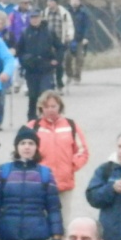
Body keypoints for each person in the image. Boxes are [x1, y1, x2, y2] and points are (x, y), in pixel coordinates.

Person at [25, 90, 89, 232]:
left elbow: (82, 151)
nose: (50, 110)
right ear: (41, 108)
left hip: (64, 184)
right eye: (46, 107)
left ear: (60, 106)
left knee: (63, 225)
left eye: (53, 106)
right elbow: (22, 151)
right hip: (40, 185)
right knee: (41, 225)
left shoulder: (71, 126)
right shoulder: (33, 126)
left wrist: (71, 166)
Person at [17, 11, 63, 121]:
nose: (34, 20)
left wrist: (57, 60)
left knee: (45, 95)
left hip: (46, 69)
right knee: (33, 96)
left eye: (36, 17)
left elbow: (60, 47)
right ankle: (32, 119)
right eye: (32, 17)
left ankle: (47, 118)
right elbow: (20, 51)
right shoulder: (25, 32)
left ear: (41, 18)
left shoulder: (49, 31)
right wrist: (25, 61)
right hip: (31, 70)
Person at [42, 0, 75, 94]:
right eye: (48, 1)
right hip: (48, 43)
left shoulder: (64, 13)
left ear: (56, 2)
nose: (49, 3)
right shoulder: (44, 13)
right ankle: (50, 85)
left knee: (59, 64)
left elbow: (70, 25)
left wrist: (69, 35)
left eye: (51, 1)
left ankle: (60, 84)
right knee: (48, 64)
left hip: (60, 42)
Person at [65, 0, 90, 84]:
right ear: (70, 1)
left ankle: (77, 77)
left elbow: (87, 26)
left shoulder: (84, 12)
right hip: (68, 39)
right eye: (73, 0)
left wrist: (86, 37)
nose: (75, 2)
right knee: (67, 58)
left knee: (80, 59)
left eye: (77, 0)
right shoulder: (66, 12)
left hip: (79, 39)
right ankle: (69, 75)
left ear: (79, 2)